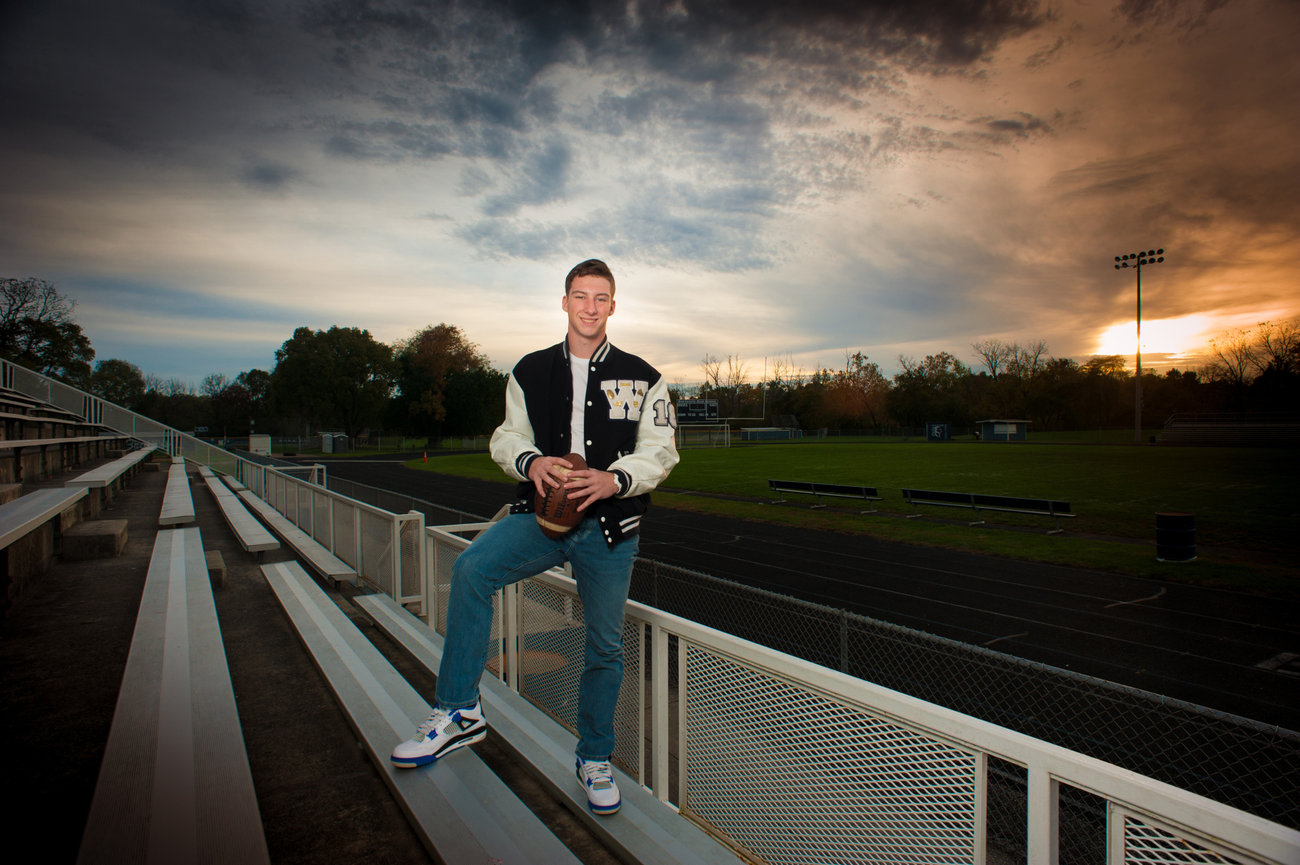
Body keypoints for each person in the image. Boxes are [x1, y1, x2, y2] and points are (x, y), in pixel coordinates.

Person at [391, 258, 679, 816]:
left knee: (605, 645)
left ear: (613, 306)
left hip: (609, 526)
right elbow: (507, 436)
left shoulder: (646, 376)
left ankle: (594, 758)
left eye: (601, 298)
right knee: (473, 569)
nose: (590, 307)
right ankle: (458, 711)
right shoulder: (528, 370)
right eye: (580, 296)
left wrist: (615, 477)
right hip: (540, 516)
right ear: (564, 301)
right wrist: (531, 462)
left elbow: (661, 450)